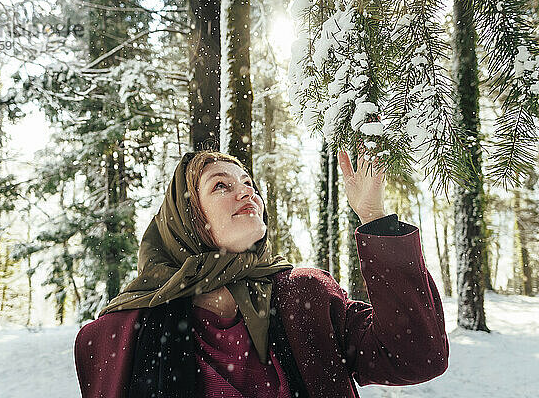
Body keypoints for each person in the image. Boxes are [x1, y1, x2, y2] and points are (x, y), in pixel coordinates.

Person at [74, 150, 449, 398]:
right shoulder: (118, 336)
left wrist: (373, 218)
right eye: (222, 185)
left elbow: (417, 356)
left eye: (249, 184)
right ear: (188, 219)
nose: (247, 194)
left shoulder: (306, 297)